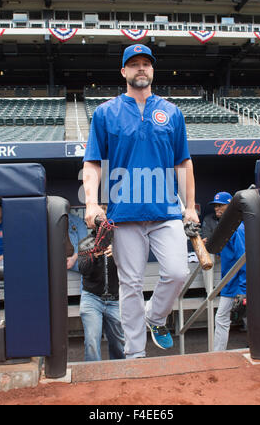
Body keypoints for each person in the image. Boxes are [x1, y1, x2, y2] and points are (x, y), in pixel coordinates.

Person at [82, 43, 199, 359]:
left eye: (146, 63)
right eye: (133, 64)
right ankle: (135, 354)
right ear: (124, 71)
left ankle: (156, 317)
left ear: (153, 70)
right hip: (125, 214)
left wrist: (190, 206)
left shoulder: (171, 112)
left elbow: (183, 162)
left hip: (166, 212)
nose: (141, 68)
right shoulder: (106, 112)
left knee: (176, 271)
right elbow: (93, 161)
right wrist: (92, 203)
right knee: (130, 285)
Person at [78, 205, 125, 361]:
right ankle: (93, 379)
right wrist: (95, 254)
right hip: (92, 298)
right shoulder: (86, 242)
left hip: (115, 299)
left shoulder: (121, 241)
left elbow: (133, 266)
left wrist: (118, 252)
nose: (102, 221)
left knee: (119, 343)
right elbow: (84, 269)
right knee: (91, 341)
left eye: (105, 214)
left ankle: (119, 378)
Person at [209, 192, 247, 352]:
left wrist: (244, 290)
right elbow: (226, 254)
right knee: (247, 318)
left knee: (222, 318)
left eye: (221, 205)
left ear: (230, 206)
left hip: (237, 284)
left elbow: (244, 259)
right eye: (216, 205)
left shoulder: (237, 228)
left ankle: (218, 354)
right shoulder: (227, 227)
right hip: (229, 282)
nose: (217, 208)